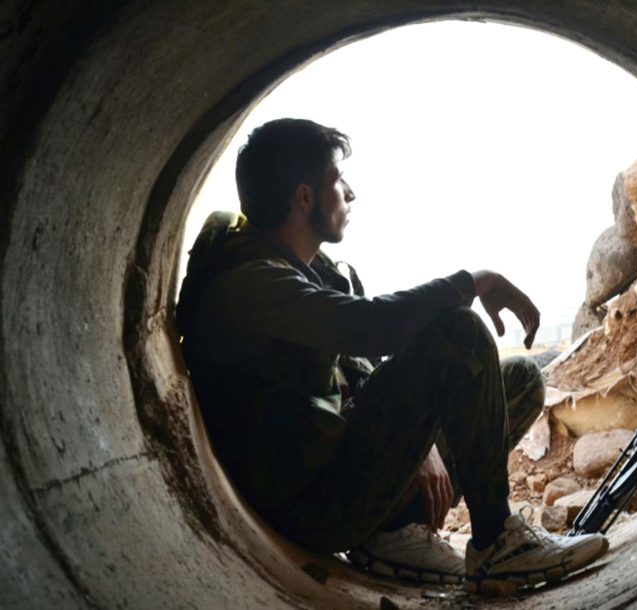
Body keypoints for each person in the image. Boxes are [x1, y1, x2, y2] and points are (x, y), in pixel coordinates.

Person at [175, 118, 608, 592]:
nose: (350, 194)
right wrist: (476, 280)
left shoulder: (304, 270)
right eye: (337, 182)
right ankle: (495, 545)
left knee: (522, 379)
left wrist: (419, 447)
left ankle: (393, 532)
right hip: (315, 503)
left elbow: (362, 370)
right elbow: (372, 329)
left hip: (339, 464)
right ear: (304, 198)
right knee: (458, 334)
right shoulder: (251, 284)